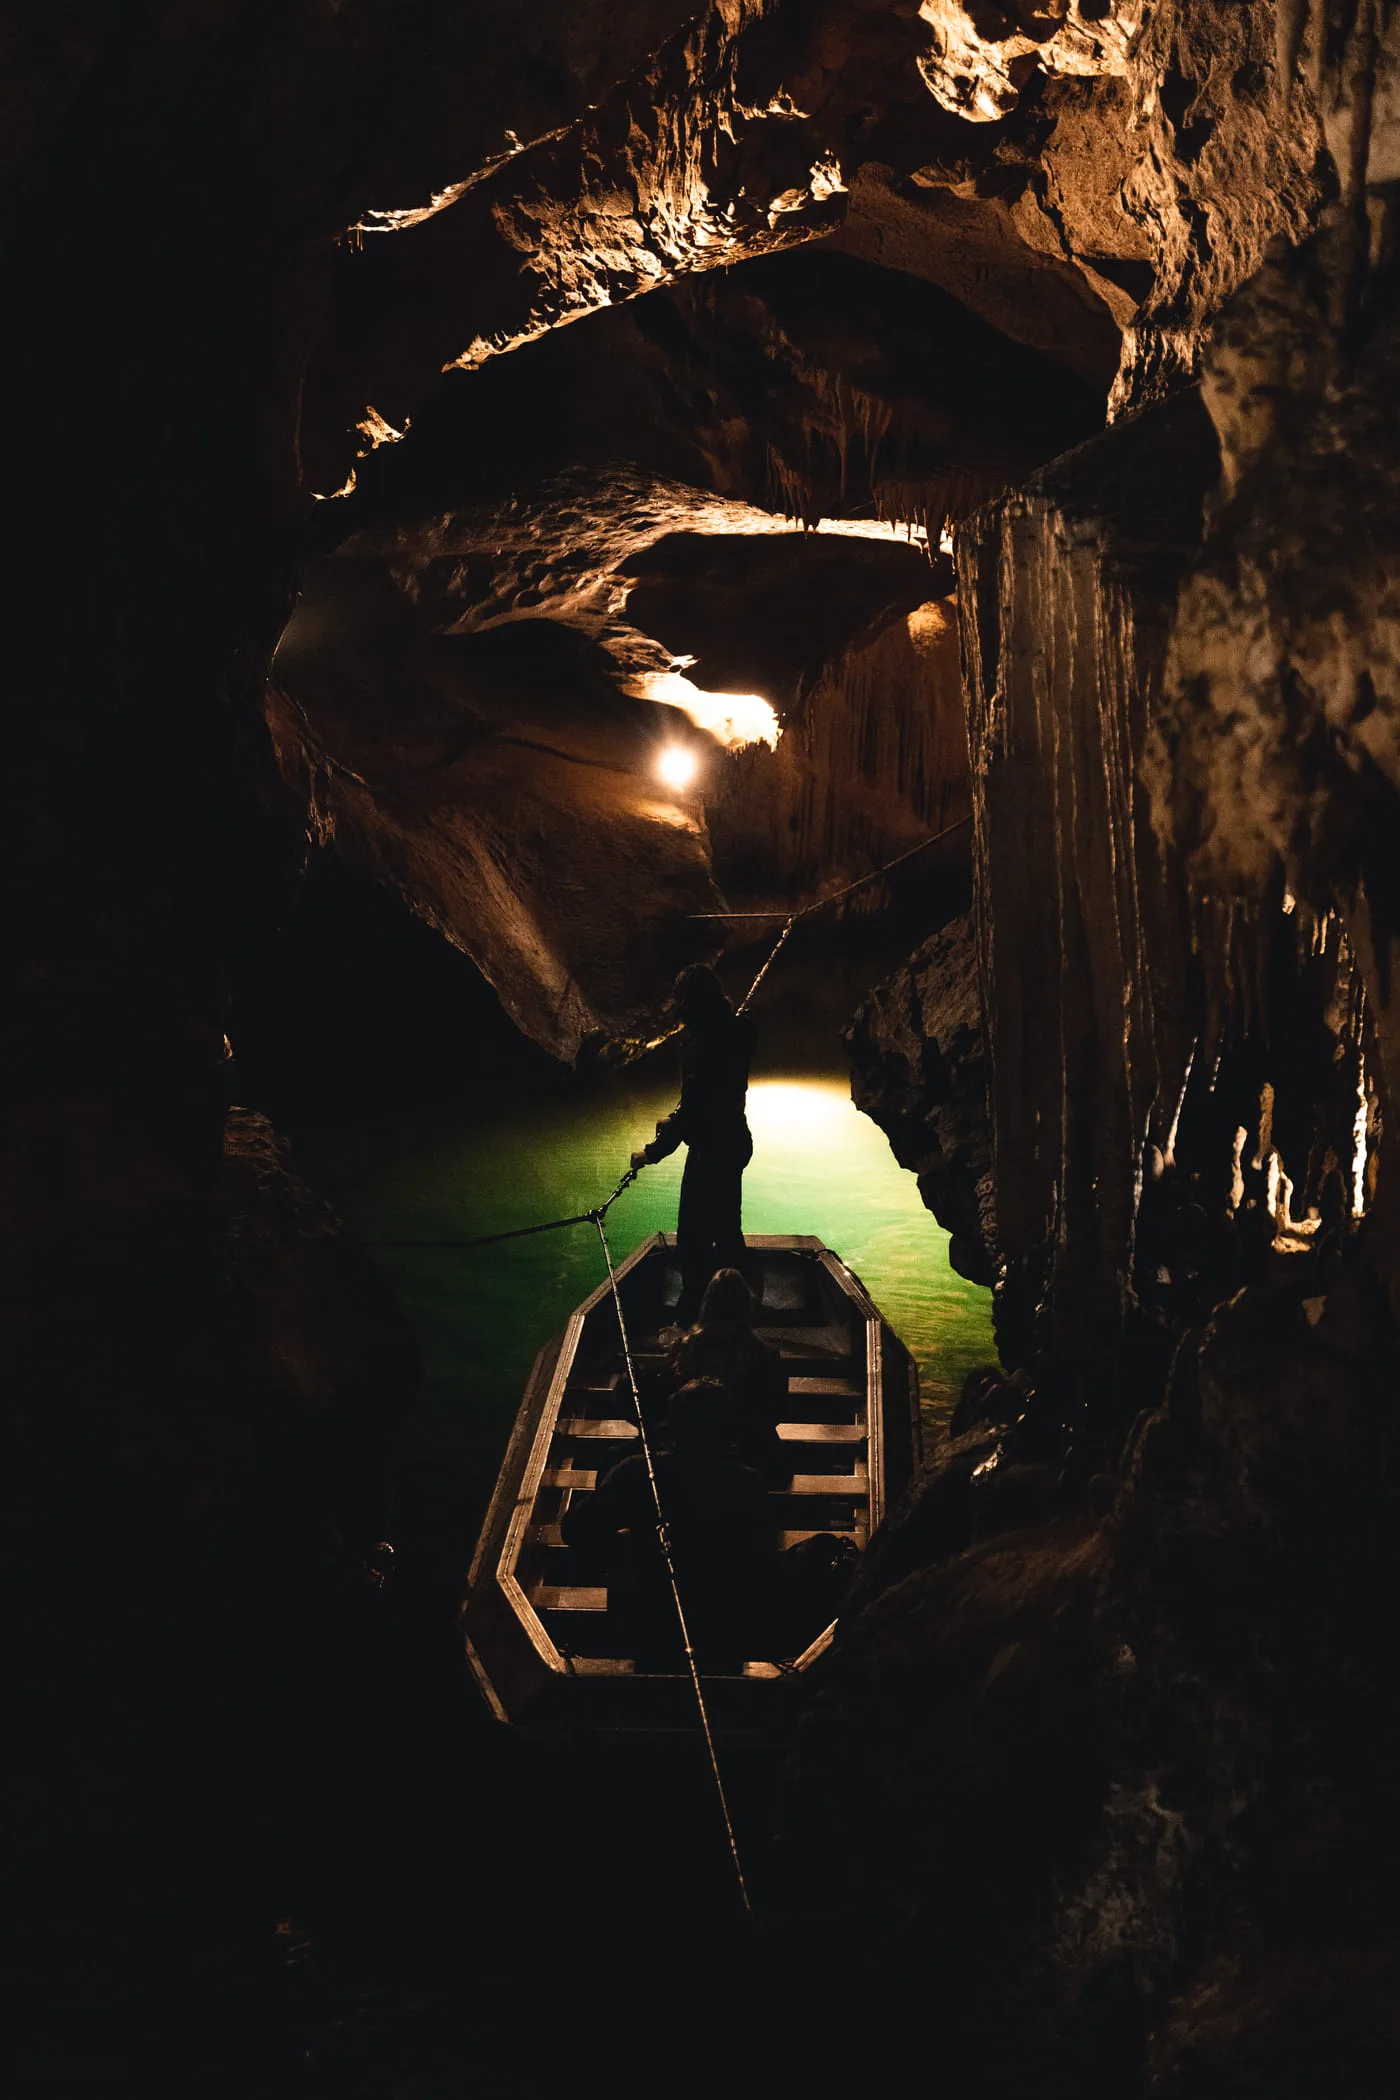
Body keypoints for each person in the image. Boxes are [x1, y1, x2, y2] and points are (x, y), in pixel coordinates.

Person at [561, 1378, 775, 1671]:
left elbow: (576, 1529)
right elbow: (762, 1558)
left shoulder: (636, 1471)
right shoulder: (748, 1482)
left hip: (645, 1623)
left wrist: (624, 1551)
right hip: (723, 1628)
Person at [630, 963, 756, 1323]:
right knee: (728, 1228)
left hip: (710, 1151)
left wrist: (651, 1153)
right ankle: (740, 1308)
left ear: (688, 1002)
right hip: (736, 1142)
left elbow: (695, 1110)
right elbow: (745, 1033)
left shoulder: (700, 1046)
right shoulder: (741, 1032)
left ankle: (693, 1316)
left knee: (693, 1239)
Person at [666, 1267, 786, 1480]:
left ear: (707, 1304)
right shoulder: (767, 1354)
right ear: (746, 1306)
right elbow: (776, 1412)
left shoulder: (684, 1349)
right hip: (753, 1449)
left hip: (691, 1447)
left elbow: (673, 1403)